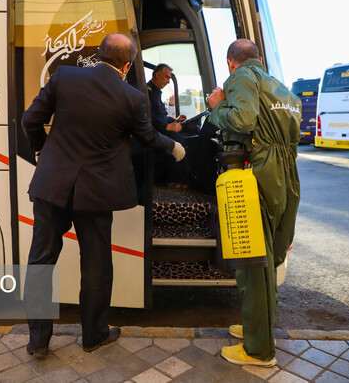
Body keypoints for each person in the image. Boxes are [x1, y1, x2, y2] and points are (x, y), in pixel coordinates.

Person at [21, 33, 186, 356]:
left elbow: (31, 119)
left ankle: (38, 342)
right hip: (95, 194)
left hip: (52, 185)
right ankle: (93, 335)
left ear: (99, 55)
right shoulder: (132, 97)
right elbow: (149, 137)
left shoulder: (64, 76)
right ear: (126, 65)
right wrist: (176, 147)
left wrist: (44, 151)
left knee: (40, 263)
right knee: (96, 266)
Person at [207, 39, 301, 367]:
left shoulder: (243, 78)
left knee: (252, 263)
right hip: (286, 174)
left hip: (256, 173)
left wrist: (217, 103)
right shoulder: (282, 88)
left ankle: (259, 350)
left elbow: (243, 120)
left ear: (231, 63)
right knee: (269, 259)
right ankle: (258, 330)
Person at [147, 64, 188, 185]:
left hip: (161, 128)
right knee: (180, 140)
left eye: (169, 78)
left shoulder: (156, 93)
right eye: (166, 77)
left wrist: (174, 120)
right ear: (157, 74)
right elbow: (148, 116)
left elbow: (161, 117)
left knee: (187, 133)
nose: (168, 81)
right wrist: (167, 127)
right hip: (153, 132)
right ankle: (174, 180)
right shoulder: (147, 92)